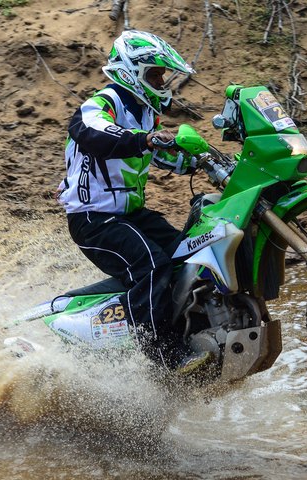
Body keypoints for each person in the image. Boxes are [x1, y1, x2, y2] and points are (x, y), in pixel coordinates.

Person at [57, 30, 211, 374]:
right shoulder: (101, 104)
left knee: (191, 251)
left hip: (130, 215)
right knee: (152, 265)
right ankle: (162, 353)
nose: (161, 82)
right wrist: (147, 139)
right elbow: (93, 133)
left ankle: (195, 329)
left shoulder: (146, 115)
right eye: (154, 74)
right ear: (131, 72)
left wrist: (202, 160)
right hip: (94, 221)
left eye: (161, 75)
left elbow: (162, 156)